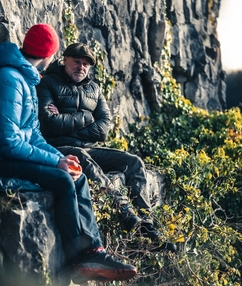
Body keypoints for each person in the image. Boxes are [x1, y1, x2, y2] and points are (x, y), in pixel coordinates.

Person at [0, 24, 137, 283]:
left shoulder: (24, 78)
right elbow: (7, 142)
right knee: (62, 180)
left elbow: (32, 134)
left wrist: (60, 157)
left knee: (78, 175)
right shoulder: (8, 79)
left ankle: (94, 251)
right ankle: (78, 258)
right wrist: (56, 161)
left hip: (3, 156)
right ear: (51, 55)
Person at [36, 42, 176, 252]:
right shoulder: (48, 83)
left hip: (89, 148)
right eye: (76, 62)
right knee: (80, 155)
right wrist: (86, 117)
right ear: (64, 60)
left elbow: (103, 129)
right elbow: (50, 123)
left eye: (85, 64)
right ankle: (128, 217)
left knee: (134, 162)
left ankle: (147, 227)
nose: (81, 67)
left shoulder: (94, 88)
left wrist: (68, 123)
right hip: (58, 149)